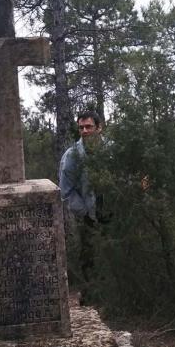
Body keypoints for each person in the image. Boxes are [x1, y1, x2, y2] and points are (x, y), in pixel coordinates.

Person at [59, 110, 104, 285]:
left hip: (113, 212)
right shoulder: (72, 156)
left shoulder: (112, 149)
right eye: (81, 127)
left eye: (89, 127)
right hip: (88, 215)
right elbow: (66, 190)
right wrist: (85, 213)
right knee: (89, 254)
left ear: (99, 128)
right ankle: (91, 292)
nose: (85, 131)